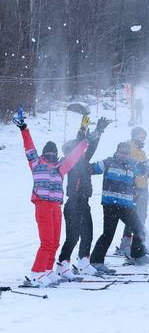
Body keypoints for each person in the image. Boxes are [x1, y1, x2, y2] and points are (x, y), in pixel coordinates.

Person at [13, 114, 89, 287]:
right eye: (49, 152)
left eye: (54, 153)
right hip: (43, 206)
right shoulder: (36, 163)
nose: (52, 155)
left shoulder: (60, 168)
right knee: (46, 242)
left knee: (54, 242)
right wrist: (24, 129)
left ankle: (47, 271)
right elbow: (29, 148)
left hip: (56, 207)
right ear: (44, 153)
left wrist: (83, 143)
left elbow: (73, 157)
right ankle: (36, 273)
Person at [89, 142, 149, 273]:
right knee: (108, 234)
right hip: (110, 204)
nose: (124, 155)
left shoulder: (132, 164)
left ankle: (137, 255)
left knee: (139, 229)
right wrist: (79, 165)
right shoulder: (108, 162)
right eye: (122, 152)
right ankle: (96, 261)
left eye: (126, 153)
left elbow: (144, 167)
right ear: (117, 152)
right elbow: (91, 169)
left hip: (126, 206)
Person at [57, 116, 111, 279]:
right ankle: (63, 263)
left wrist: (99, 132)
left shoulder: (82, 160)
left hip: (83, 201)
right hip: (73, 202)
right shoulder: (68, 162)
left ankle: (83, 263)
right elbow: (83, 145)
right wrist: (82, 130)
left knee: (88, 234)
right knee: (72, 236)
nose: (81, 151)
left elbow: (90, 146)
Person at [118, 127, 149, 257]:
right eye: (140, 136)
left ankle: (138, 243)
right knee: (133, 216)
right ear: (134, 136)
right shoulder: (130, 147)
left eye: (144, 137)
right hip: (134, 187)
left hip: (143, 187)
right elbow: (128, 165)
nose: (142, 139)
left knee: (142, 215)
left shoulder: (142, 152)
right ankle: (126, 242)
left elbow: (144, 169)